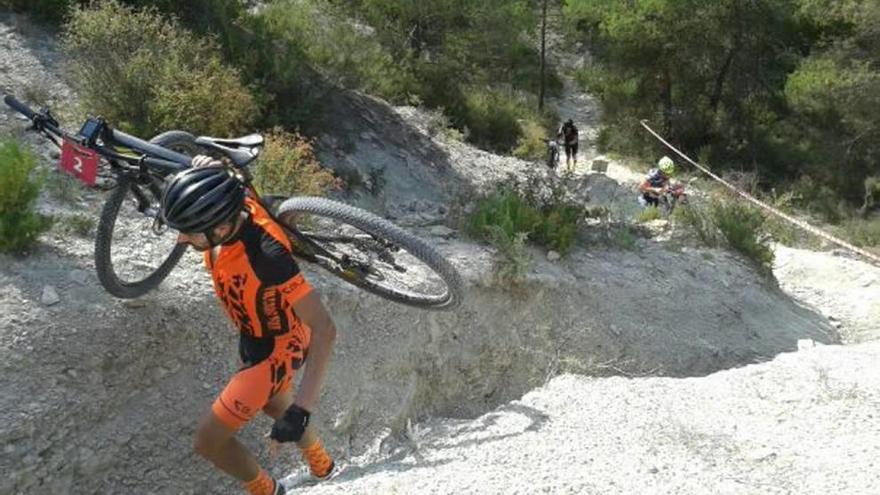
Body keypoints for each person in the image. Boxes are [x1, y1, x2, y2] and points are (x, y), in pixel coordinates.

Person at [161, 156, 338, 495]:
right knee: (273, 404)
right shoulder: (235, 205)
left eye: (190, 232)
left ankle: (267, 490)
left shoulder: (267, 256)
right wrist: (211, 168)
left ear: (222, 228)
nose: (181, 239)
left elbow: (325, 328)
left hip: (274, 351)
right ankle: (322, 464)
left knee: (207, 443)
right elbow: (238, 185)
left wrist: (302, 409)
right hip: (256, 337)